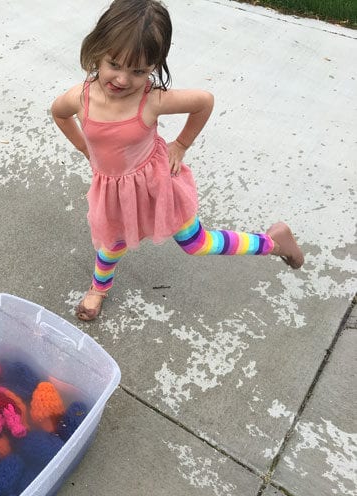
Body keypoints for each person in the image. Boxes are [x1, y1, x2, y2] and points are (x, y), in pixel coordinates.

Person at [51, 0, 304, 321]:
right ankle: (98, 289)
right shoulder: (80, 96)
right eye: (114, 64)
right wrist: (84, 148)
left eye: (139, 71)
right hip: (114, 190)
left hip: (157, 184)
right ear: (97, 49)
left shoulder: (151, 101)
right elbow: (59, 114)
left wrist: (181, 143)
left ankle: (274, 243)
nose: (123, 79)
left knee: (196, 243)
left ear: (155, 67)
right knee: (112, 240)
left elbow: (203, 102)